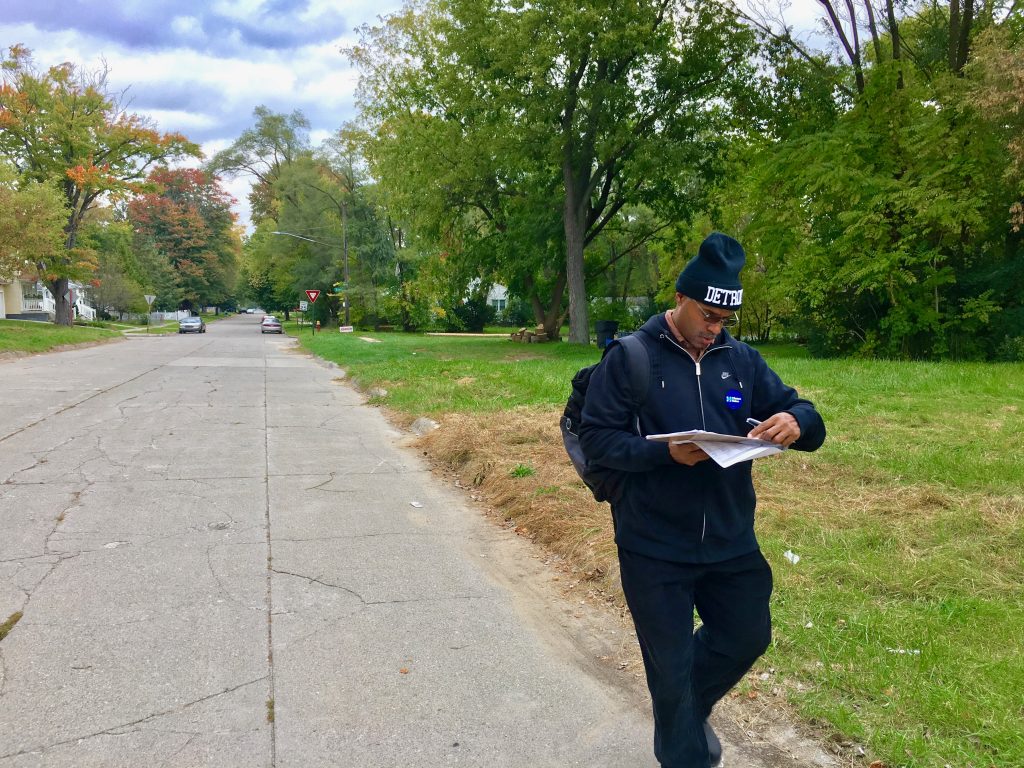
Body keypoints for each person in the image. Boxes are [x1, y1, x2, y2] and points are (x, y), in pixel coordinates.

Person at [579, 232, 826, 768]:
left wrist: (795, 421)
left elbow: (810, 418)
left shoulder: (742, 361)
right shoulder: (631, 357)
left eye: (724, 320)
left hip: (731, 540)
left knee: (746, 636)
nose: (715, 328)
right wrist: (669, 455)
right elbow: (599, 439)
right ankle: (685, 738)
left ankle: (685, 709)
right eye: (708, 315)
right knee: (669, 676)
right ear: (681, 298)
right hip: (653, 545)